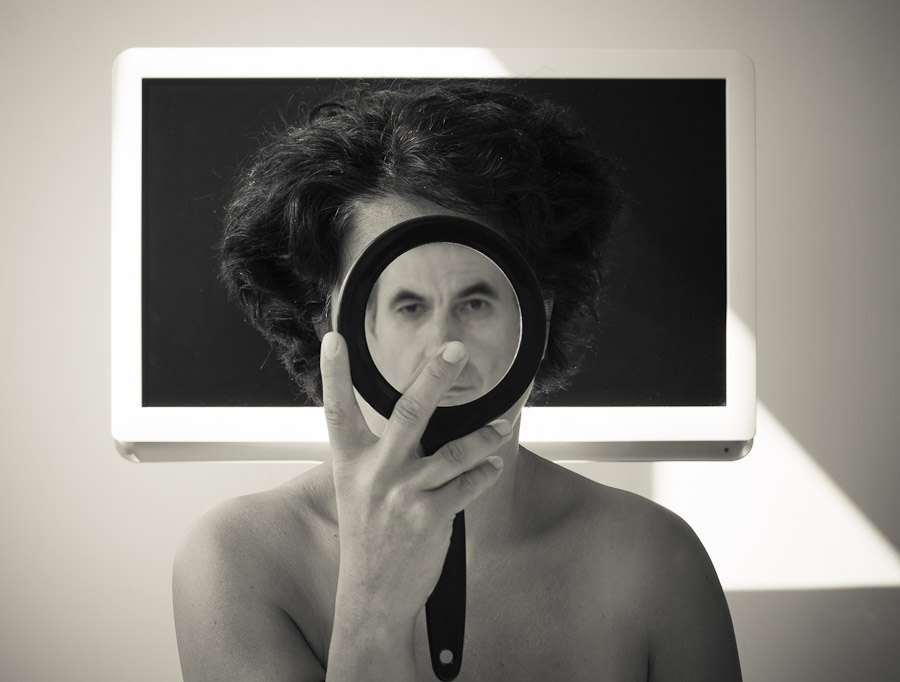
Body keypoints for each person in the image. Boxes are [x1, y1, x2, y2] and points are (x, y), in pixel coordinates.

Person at [172, 81, 742, 682]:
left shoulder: (656, 561)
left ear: (538, 316)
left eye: (475, 301)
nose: (446, 348)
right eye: (409, 305)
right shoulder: (236, 560)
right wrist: (373, 604)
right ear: (327, 324)